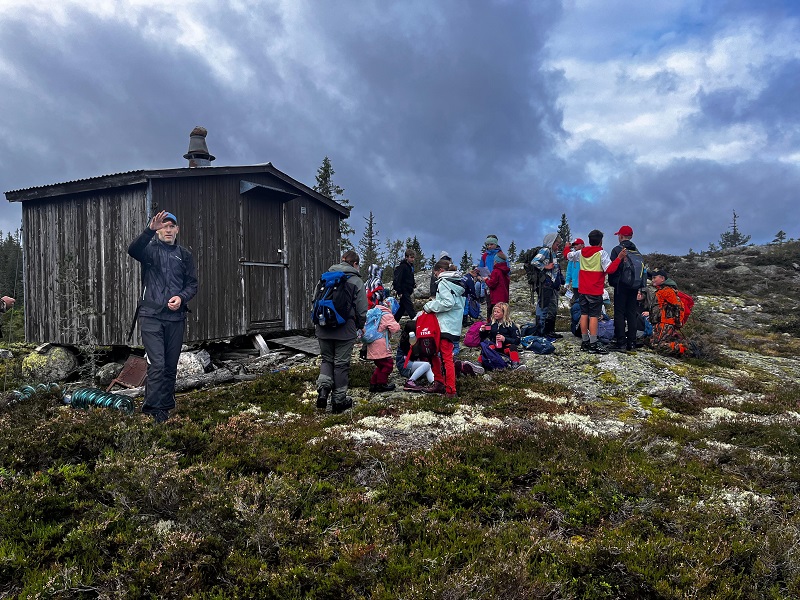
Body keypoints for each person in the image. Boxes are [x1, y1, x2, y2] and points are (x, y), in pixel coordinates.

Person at [128, 210, 198, 423]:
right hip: (151, 316)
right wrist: (149, 230)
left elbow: (192, 284)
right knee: (157, 364)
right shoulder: (149, 251)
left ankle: (166, 406)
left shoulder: (184, 255)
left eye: (171, 226)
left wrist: (181, 298)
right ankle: (152, 410)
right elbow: (133, 250)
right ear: (159, 230)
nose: (168, 230)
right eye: (164, 226)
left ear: (177, 230)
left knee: (170, 365)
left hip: (176, 318)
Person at [315, 250, 368, 413]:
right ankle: (338, 401)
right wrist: (360, 325)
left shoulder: (325, 277)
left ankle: (323, 391)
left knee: (326, 360)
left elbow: (315, 301)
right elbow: (361, 309)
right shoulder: (356, 281)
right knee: (341, 364)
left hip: (323, 327)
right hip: (345, 330)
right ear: (355, 264)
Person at [564, 229, 624, 354]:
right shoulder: (602, 253)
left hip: (582, 290)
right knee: (594, 316)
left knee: (584, 314)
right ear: (601, 241)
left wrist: (567, 247)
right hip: (595, 290)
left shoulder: (581, 252)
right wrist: (619, 258)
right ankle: (593, 343)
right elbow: (610, 269)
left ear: (589, 240)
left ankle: (585, 341)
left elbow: (568, 256)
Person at [422, 259, 466, 397]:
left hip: (444, 325)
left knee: (442, 356)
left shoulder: (444, 283)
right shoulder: (457, 283)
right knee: (440, 355)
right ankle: (441, 383)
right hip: (453, 325)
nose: (435, 276)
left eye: (435, 273)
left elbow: (447, 303)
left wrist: (430, 306)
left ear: (440, 271)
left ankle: (449, 389)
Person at [608, 225, 643, 351]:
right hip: (634, 286)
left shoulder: (617, 250)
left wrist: (613, 282)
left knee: (619, 313)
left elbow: (612, 268)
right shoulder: (636, 251)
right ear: (631, 236)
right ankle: (632, 343)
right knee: (631, 313)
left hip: (621, 286)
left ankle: (621, 343)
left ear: (621, 236)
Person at [644, 269, 693, 356]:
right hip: (659, 323)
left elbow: (678, 306)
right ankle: (677, 344)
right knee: (652, 343)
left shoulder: (667, 291)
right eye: (652, 278)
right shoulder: (662, 290)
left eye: (655, 278)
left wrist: (678, 322)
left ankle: (685, 348)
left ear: (662, 278)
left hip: (665, 323)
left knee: (658, 345)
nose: (653, 280)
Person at [532, 233, 565, 339]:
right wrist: (545, 266)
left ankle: (549, 330)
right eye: (557, 244)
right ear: (551, 242)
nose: (558, 246)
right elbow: (535, 261)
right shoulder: (546, 250)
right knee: (543, 307)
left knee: (552, 308)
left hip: (553, 286)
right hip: (545, 285)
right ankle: (541, 331)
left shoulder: (553, 253)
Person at [366, 299, 401, 392]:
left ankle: (373, 384)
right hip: (381, 344)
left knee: (380, 365)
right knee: (388, 364)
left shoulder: (374, 312)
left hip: (371, 343)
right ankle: (381, 384)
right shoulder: (387, 315)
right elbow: (395, 328)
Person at [479, 302, 525, 370]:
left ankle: (515, 364)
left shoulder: (511, 325)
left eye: (498, 312)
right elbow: (483, 337)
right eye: (494, 311)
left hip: (506, 348)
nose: (495, 313)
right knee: (486, 347)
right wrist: (482, 331)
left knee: (513, 347)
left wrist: (504, 339)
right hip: (495, 347)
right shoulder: (492, 324)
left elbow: (517, 341)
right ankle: (479, 364)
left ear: (504, 313)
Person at [395, 319, 435, 392]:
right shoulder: (405, 342)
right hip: (404, 365)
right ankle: (410, 381)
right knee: (427, 365)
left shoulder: (411, 339)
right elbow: (413, 356)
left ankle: (434, 382)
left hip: (411, 364)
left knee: (427, 368)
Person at [483, 251, 510, 321]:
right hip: (504, 298)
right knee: (503, 316)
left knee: (493, 315)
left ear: (496, 261)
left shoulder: (496, 271)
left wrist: (486, 280)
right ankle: (503, 329)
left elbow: (491, 284)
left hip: (496, 298)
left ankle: (490, 329)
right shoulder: (504, 271)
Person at [392, 248, 416, 322]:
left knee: (402, 309)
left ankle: (393, 322)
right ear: (406, 257)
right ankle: (417, 322)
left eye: (413, 257)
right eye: (411, 257)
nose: (413, 259)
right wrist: (399, 291)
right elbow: (397, 279)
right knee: (410, 308)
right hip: (404, 290)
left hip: (408, 290)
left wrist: (413, 284)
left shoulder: (410, 267)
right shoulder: (403, 267)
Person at [563, 238, 584, 305]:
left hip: (584, 284)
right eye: (574, 245)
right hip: (575, 284)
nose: (575, 246)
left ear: (582, 245)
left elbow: (566, 255)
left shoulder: (585, 254)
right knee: (578, 302)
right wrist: (567, 282)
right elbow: (569, 271)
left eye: (577, 244)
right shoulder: (572, 258)